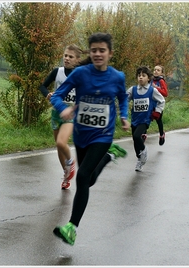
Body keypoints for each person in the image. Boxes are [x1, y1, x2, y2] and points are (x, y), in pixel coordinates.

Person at [50, 32, 130, 246]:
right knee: (89, 179)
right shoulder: (80, 74)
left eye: (102, 50)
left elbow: (122, 97)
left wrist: (124, 116)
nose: (97, 54)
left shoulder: (117, 77)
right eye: (94, 50)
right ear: (90, 51)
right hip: (82, 134)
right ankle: (110, 156)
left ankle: (72, 227)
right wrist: (63, 109)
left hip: (103, 135)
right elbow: (57, 95)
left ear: (110, 53)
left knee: (82, 177)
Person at [38, 44, 84, 190]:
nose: (67, 58)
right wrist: (48, 94)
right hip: (56, 112)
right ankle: (66, 174)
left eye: (70, 57)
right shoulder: (57, 72)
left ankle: (70, 162)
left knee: (60, 142)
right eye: (65, 55)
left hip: (71, 113)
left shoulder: (80, 75)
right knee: (59, 147)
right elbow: (42, 86)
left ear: (77, 60)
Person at [127, 66, 165, 171]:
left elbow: (161, 101)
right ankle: (140, 159)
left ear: (148, 78)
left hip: (145, 119)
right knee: (135, 142)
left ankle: (144, 150)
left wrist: (157, 112)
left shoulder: (152, 90)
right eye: (139, 76)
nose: (140, 77)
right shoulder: (133, 90)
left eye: (143, 76)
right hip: (135, 119)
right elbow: (125, 99)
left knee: (136, 136)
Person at [151, 65, 168, 145]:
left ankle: (161, 134)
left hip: (158, 104)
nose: (156, 71)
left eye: (158, 70)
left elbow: (165, 93)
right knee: (146, 119)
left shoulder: (161, 81)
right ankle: (143, 134)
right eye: (155, 70)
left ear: (161, 73)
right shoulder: (150, 80)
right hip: (150, 103)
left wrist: (156, 88)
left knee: (158, 121)